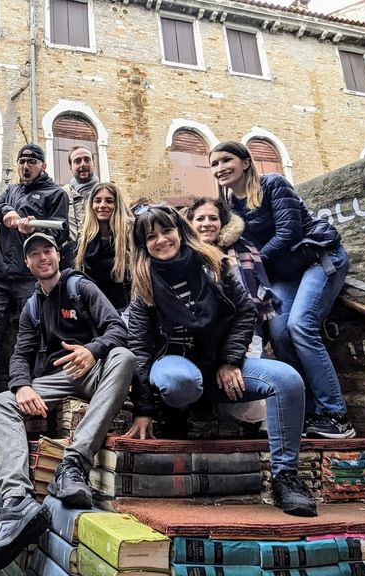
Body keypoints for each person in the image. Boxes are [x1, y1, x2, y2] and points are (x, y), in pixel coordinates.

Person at [122, 205, 316, 517]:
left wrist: (230, 361)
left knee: (288, 380)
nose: (161, 240)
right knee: (179, 382)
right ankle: (180, 414)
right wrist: (144, 410)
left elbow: (244, 313)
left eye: (166, 231)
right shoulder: (144, 286)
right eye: (151, 237)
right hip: (176, 365)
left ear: (180, 231)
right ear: (143, 245)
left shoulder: (215, 266)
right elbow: (141, 348)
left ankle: (286, 478)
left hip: (220, 367)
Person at [0, 233, 134, 573]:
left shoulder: (80, 287)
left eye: (47, 251)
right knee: (1, 402)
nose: (42, 257)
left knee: (125, 356)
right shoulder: (32, 307)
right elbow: (20, 355)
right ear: (28, 264)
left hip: (94, 367)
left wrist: (92, 350)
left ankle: (72, 465)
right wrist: (21, 386)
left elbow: (117, 328)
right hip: (61, 377)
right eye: (34, 254)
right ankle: (15, 501)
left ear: (58, 256)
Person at [210, 141, 353, 439]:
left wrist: (254, 261)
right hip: (283, 273)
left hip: (317, 258)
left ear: (246, 162)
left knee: (301, 326)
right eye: (214, 164)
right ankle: (309, 411)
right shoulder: (230, 208)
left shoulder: (273, 184)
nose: (220, 168)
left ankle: (336, 415)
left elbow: (290, 232)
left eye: (226, 160)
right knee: (279, 333)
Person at [0, 143, 69, 412]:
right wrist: (7, 211)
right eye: (22, 161)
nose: (26, 166)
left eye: (32, 161)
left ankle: (30, 388)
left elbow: (60, 235)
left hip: (27, 277)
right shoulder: (13, 190)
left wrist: (33, 229)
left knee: (31, 333)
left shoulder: (55, 194)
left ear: (42, 165)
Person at [185, 196, 277, 434]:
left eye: (213, 218)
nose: (207, 224)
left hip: (243, 326)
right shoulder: (183, 255)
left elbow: (249, 304)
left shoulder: (240, 250)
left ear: (223, 222)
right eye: (200, 218)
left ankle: (258, 421)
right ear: (190, 223)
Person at [74, 182, 132, 312]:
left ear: (116, 205)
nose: (102, 205)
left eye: (109, 201)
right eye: (97, 201)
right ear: (91, 205)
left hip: (125, 310)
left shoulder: (129, 237)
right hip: (94, 309)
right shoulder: (84, 240)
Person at [63, 146, 98, 245]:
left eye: (87, 160)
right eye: (77, 161)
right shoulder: (62, 194)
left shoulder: (106, 193)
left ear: (93, 164)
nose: (83, 164)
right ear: (70, 167)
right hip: (72, 256)